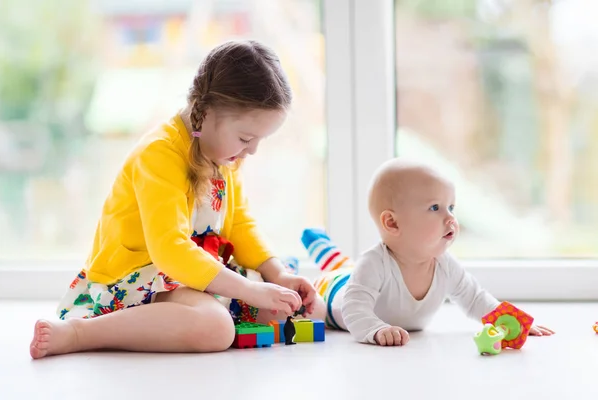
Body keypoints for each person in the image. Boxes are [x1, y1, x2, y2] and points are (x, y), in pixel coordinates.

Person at [30, 40, 325, 359]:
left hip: (195, 275)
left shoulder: (223, 155)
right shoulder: (159, 153)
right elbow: (169, 250)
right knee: (216, 329)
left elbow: (240, 224)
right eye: (246, 138)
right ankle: (79, 332)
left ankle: (213, 310)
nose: (252, 150)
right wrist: (250, 290)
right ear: (208, 112)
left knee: (308, 310)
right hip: (141, 277)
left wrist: (276, 274)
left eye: (258, 141)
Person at [303, 158, 554, 346]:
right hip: (336, 290)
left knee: (346, 267)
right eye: (435, 208)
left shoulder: (444, 264)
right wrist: (377, 330)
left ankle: (328, 252)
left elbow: (475, 299)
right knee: (323, 291)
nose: (451, 218)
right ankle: (315, 246)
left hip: (353, 276)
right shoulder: (373, 263)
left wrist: (508, 320)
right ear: (392, 223)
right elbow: (354, 309)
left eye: (451, 207)